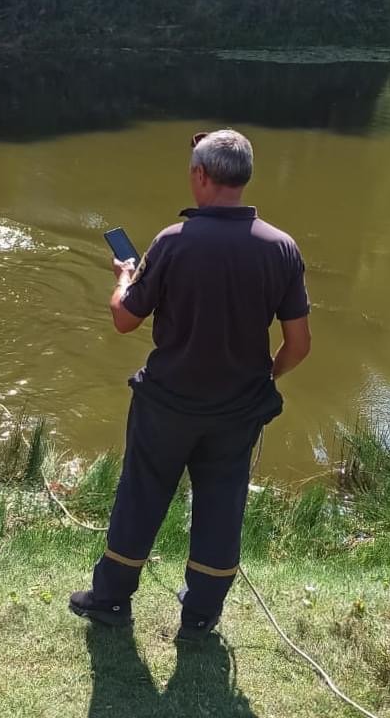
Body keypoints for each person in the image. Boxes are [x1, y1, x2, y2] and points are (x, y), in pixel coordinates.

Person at [69, 129, 312, 641]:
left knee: (143, 494)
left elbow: (124, 320)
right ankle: (200, 616)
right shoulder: (282, 248)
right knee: (222, 503)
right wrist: (265, 377)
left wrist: (123, 276)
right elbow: (299, 345)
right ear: (244, 177)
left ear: (201, 176)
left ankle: (110, 600)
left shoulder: (173, 242)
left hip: (167, 404)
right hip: (237, 410)